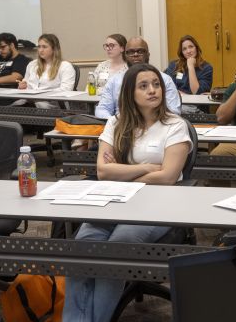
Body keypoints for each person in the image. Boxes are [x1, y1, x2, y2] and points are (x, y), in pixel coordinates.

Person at [62, 64, 192, 322]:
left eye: (155, 84)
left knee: (116, 249)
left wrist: (123, 171)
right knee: (81, 247)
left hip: (158, 204)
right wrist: (145, 168)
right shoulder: (116, 122)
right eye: (143, 86)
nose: (153, 90)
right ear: (130, 93)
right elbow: (102, 171)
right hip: (114, 199)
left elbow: (167, 177)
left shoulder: (175, 125)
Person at [95, 36, 182, 118]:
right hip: (123, 127)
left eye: (140, 51)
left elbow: (174, 111)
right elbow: (102, 109)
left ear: (148, 54)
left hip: (156, 127)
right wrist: (115, 122)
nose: (135, 55)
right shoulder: (114, 81)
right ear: (125, 56)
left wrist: (150, 122)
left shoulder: (165, 79)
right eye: (131, 52)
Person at [16, 34, 75, 109]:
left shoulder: (65, 66)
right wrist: (22, 87)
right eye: (39, 47)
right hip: (30, 101)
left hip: (53, 103)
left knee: (39, 105)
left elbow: (66, 90)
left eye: (44, 47)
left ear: (54, 49)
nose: (40, 50)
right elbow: (26, 84)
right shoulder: (32, 64)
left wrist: (41, 94)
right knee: (13, 107)